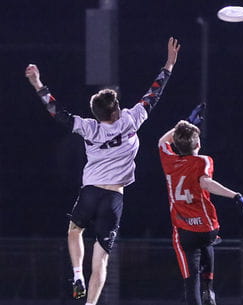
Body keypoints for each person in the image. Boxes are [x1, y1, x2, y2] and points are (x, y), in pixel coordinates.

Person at [25, 37, 180, 305]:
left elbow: (57, 111)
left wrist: (38, 84)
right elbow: (154, 93)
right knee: (102, 257)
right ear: (117, 109)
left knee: (74, 231)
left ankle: (77, 276)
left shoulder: (89, 128)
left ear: (97, 114)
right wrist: (169, 64)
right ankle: (91, 304)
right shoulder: (132, 119)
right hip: (113, 199)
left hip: (90, 193)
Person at [158, 112, 243, 305]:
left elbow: (162, 141)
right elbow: (206, 183)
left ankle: (202, 291)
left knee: (190, 284)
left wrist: (183, 126)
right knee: (207, 239)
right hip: (208, 228)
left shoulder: (168, 160)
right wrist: (235, 195)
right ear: (198, 145)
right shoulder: (204, 161)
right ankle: (208, 287)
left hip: (184, 232)